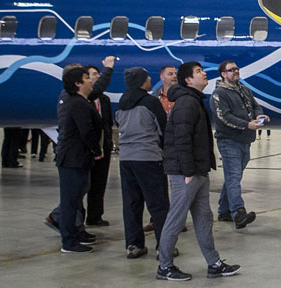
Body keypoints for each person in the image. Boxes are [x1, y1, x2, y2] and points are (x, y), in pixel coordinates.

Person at [157, 61, 239, 281]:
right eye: (198, 72)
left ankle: (214, 263)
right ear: (188, 80)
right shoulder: (186, 103)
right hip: (187, 172)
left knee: (204, 218)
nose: (204, 74)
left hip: (198, 170)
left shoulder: (194, 101)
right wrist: (187, 172)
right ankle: (164, 266)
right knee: (176, 219)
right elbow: (181, 140)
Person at [115, 67, 170, 259]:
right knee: (158, 204)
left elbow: (118, 126)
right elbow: (163, 128)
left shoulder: (121, 104)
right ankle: (164, 246)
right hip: (148, 157)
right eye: (147, 77)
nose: (149, 79)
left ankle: (134, 244)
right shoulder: (151, 102)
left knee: (131, 203)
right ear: (141, 81)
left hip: (126, 158)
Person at [210, 61, 266, 230]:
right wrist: (247, 124)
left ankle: (224, 210)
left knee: (233, 178)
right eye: (231, 70)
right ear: (223, 74)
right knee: (234, 177)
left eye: (237, 68)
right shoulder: (219, 94)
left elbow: (256, 105)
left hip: (245, 141)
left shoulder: (243, 89)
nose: (235, 71)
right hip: (229, 141)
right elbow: (224, 117)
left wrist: (260, 116)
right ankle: (238, 212)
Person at [55, 65, 102, 253]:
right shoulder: (77, 104)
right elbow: (86, 131)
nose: (90, 80)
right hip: (73, 159)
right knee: (70, 201)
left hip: (78, 158)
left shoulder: (81, 102)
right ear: (77, 83)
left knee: (75, 199)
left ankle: (75, 233)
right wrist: (96, 149)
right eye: (86, 77)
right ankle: (68, 241)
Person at [84, 63, 114, 226]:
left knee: (99, 183)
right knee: (82, 185)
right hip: (88, 149)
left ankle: (95, 216)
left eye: (98, 74)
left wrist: (107, 143)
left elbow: (107, 124)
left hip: (103, 147)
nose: (96, 77)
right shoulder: (83, 98)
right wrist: (108, 70)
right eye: (93, 74)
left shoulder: (104, 99)